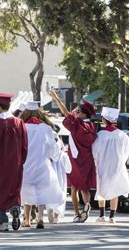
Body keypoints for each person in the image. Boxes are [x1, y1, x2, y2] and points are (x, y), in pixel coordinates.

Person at [0, 93, 28, 232]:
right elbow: (24, 144)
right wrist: (22, 159)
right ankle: (15, 208)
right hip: (15, 162)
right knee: (14, 188)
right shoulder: (18, 122)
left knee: (0, 189)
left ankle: (2, 221)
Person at [50, 91, 97, 223]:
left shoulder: (78, 124)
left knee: (74, 188)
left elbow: (66, 113)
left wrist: (57, 99)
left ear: (83, 114)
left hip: (75, 160)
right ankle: (87, 205)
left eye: (78, 111)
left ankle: (77, 214)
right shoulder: (92, 126)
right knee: (85, 187)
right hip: (87, 159)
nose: (75, 113)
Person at [20, 101, 65, 229]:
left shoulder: (21, 127)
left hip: (26, 164)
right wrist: (56, 152)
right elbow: (52, 149)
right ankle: (40, 218)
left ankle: (27, 219)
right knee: (41, 192)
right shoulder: (46, 128)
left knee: (26, 191)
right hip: (42, 164)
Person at [92, 107, 129, 224]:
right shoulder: (122, 135)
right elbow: (126, 151)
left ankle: (101, 215)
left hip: (103, 164)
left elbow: (95, 151)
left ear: (104, 120)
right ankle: (112, 217)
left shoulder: (100, 135)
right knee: (115, 189)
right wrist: (121, 162)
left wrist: (96, 162)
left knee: (101, 189)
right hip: (117, 165)